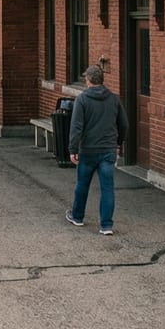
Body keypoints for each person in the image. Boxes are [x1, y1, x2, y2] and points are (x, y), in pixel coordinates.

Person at [65, 65, 128, 236]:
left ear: (89, 80)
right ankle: (106, 225)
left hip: (88, 150)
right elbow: (124, 124)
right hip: (108, 150)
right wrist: (118, 142)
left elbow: (76, 126)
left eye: (86, 78)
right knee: (107, 188)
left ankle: (77, 217)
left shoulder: (82, 99)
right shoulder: (114, 99)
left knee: (82, 184)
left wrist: (73, 149)